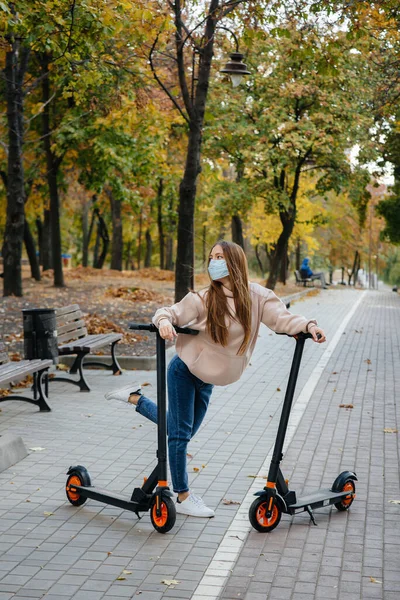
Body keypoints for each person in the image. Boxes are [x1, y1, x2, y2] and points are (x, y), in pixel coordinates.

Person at [105, 241, 326, 518]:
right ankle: (183, 496)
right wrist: (163, 322)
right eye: (211, 257)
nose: (214, 262)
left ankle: (135, 397)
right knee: (179, 435)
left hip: (207, 379)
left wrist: (309, 326)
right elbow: (170, 312)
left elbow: (283, 318)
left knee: (179, 430)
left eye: (220, 257)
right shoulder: (205, 298)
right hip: (183, 371)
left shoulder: (257, 297)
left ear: (234, 261)